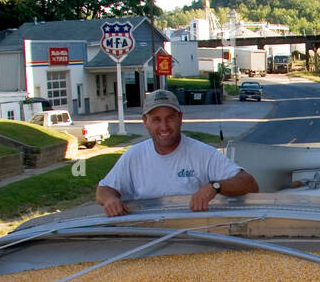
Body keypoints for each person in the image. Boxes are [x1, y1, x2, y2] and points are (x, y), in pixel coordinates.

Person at [95, 88, 258, 215]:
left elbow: (250, 184)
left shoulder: (202, 153)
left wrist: (215, 186)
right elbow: (103, 190)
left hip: (195, 235)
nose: (164, 126)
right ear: (145, 122)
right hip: (147, 234)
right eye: (156, 120)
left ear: (180, 117)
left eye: (170, 118)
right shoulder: (134, 156)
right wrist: (111, 200)